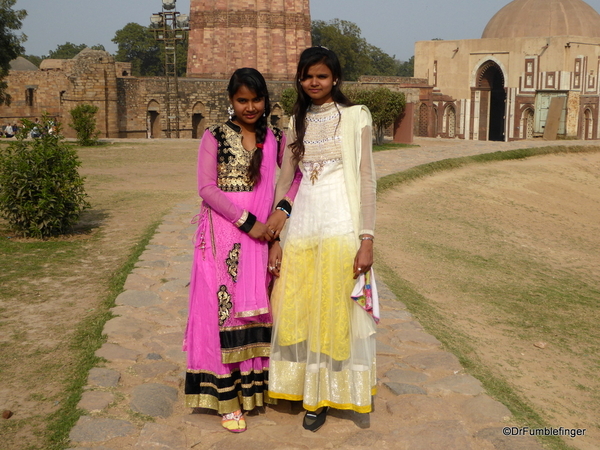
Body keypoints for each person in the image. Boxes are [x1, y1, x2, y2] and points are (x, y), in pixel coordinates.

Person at [183, 67, 300, 433]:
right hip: (223, 237)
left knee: (258, 311)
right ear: (231, 101)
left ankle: (254, 392)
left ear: (266, 100)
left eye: (256, 100)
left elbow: (293, 179)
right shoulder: (214, 136)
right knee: (220, 312)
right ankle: (226, 399)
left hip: (265, 237)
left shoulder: (277, 138)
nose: (250, 107)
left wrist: (279, 220)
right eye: (242, 100)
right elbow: (206, 188)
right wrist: (249, 223)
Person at [267, 46, 378, 432]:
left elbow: (366, 180)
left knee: (333, 311)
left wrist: (367, 238)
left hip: (339, 225)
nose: (314, 83)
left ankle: (322, 397)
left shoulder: (354, 117)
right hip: (302, 227)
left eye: (322, 76)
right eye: (308, 76)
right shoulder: (296, 123)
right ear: (300, 80)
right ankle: (298, 385)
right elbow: (286, 180)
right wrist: (275, 235)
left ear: (335, 79)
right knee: (297, 306)